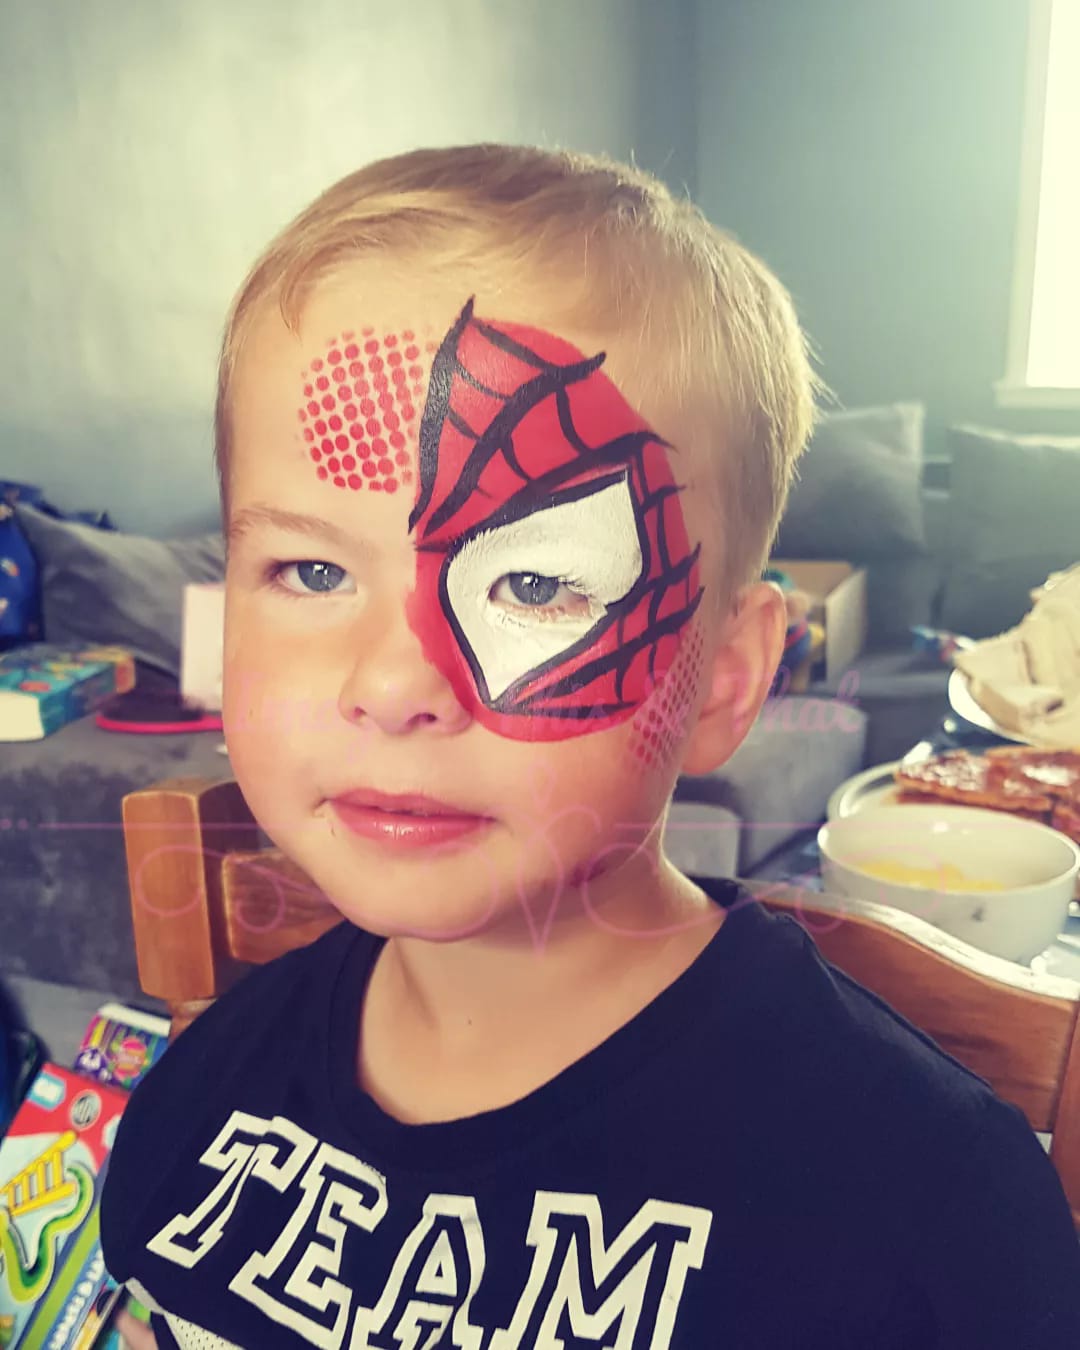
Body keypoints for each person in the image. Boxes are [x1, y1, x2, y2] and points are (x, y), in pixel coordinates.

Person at [100, 144, 1080, 1349]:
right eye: (310, 570)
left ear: (723, 678)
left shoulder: (921, 1215)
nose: (396, 680)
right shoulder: (196, 1106)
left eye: (537, 583)